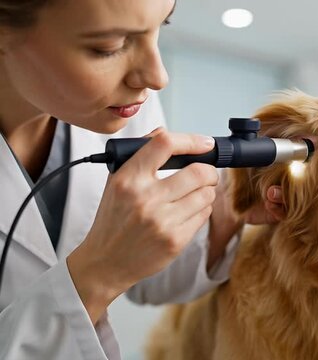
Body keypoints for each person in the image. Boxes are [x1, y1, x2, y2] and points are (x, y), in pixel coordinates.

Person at [0, 0, 284, 358]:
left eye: (160, 28)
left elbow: (149, 279)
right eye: (110, 47)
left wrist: (227, 212)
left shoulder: (124, 107)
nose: (157, 76)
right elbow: (111, 267)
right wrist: (96, 276)